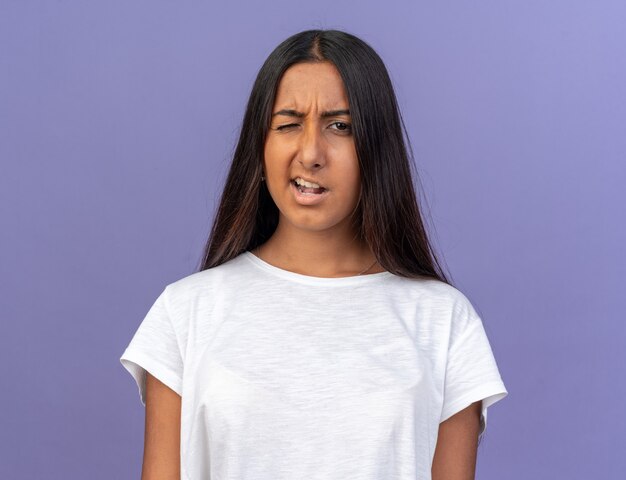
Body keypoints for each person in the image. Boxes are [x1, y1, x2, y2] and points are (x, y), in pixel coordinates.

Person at [120, 29, 508, 480]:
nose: (310, 153)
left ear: (376, 150)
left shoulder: (444, 322)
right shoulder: (185, 313)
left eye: (340, 126)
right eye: (287, 123)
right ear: (259, 148)